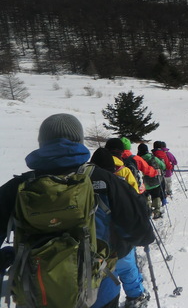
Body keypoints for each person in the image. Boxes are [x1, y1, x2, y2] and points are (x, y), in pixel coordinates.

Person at [0, 113, 154, 308]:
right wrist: (117, 246)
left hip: (38, 293)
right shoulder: (106, 181)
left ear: (42, 143)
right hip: (99, 291)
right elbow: (141, 234)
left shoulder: (18, 188)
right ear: (79, 141)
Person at [92, 143, 151, 308]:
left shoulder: (81, 186)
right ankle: (136, 296)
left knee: (103, 276)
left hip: (96, 245)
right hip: (121, 240)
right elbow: (135, 207)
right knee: (128, 269)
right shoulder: (119, 183)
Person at [137, 143, 165, 219]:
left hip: (144, 183)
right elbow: (163, 166)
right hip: (155, 181)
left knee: (146, 196)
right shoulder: (153, 158)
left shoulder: (138, 159)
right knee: (156, 196)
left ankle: (147, 210)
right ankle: (157, 211)